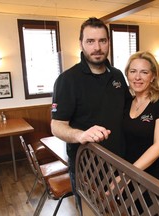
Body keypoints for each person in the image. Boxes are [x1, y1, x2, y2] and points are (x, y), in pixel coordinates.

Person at [51, 17, 131, 215]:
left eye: (102, 41)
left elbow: (129, 113)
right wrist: (80, 135)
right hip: (86, 167)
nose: (97, 47)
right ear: (81, 44)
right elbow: (57, 126)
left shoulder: (118, 76)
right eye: (90, 41)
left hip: (121, 163)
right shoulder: (67, 80)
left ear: (108, 43)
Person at [123, 51, 159, 188]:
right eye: (133, 71)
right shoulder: (127, 102)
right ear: (127, 74)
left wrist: (127, 174)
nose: (137, 77)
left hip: (155, 177)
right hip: (131, 174)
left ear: (153, 76)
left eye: (144, 72)